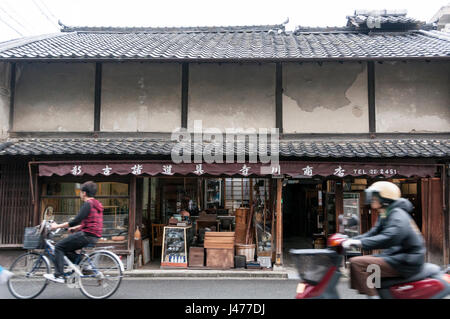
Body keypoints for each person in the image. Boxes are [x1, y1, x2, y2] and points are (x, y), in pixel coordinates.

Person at [343, 181, 425, 298]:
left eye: (374, 197)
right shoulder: (385, 213)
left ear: (384, 199)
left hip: (407, 260)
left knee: (356, 263)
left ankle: (373, 296)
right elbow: (373, 232)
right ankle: (378, 293)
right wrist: (352, 240)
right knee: (364, 263)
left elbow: (390, 238)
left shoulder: (398, 214)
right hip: (396, 255)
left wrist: (360, 243)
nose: (371, 199)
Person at [44, 181, 104, 283]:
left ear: (84, 193)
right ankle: (85, 265)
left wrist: (56, 226)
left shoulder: (88, 204)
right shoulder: (96, 204)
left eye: (80, 192)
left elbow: (75, 220)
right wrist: (75, 229)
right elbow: (90, 222)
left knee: (59, 247)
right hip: (94, 236)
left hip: (86, 235)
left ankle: (58, 275)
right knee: (67, 250)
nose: (80, 194)